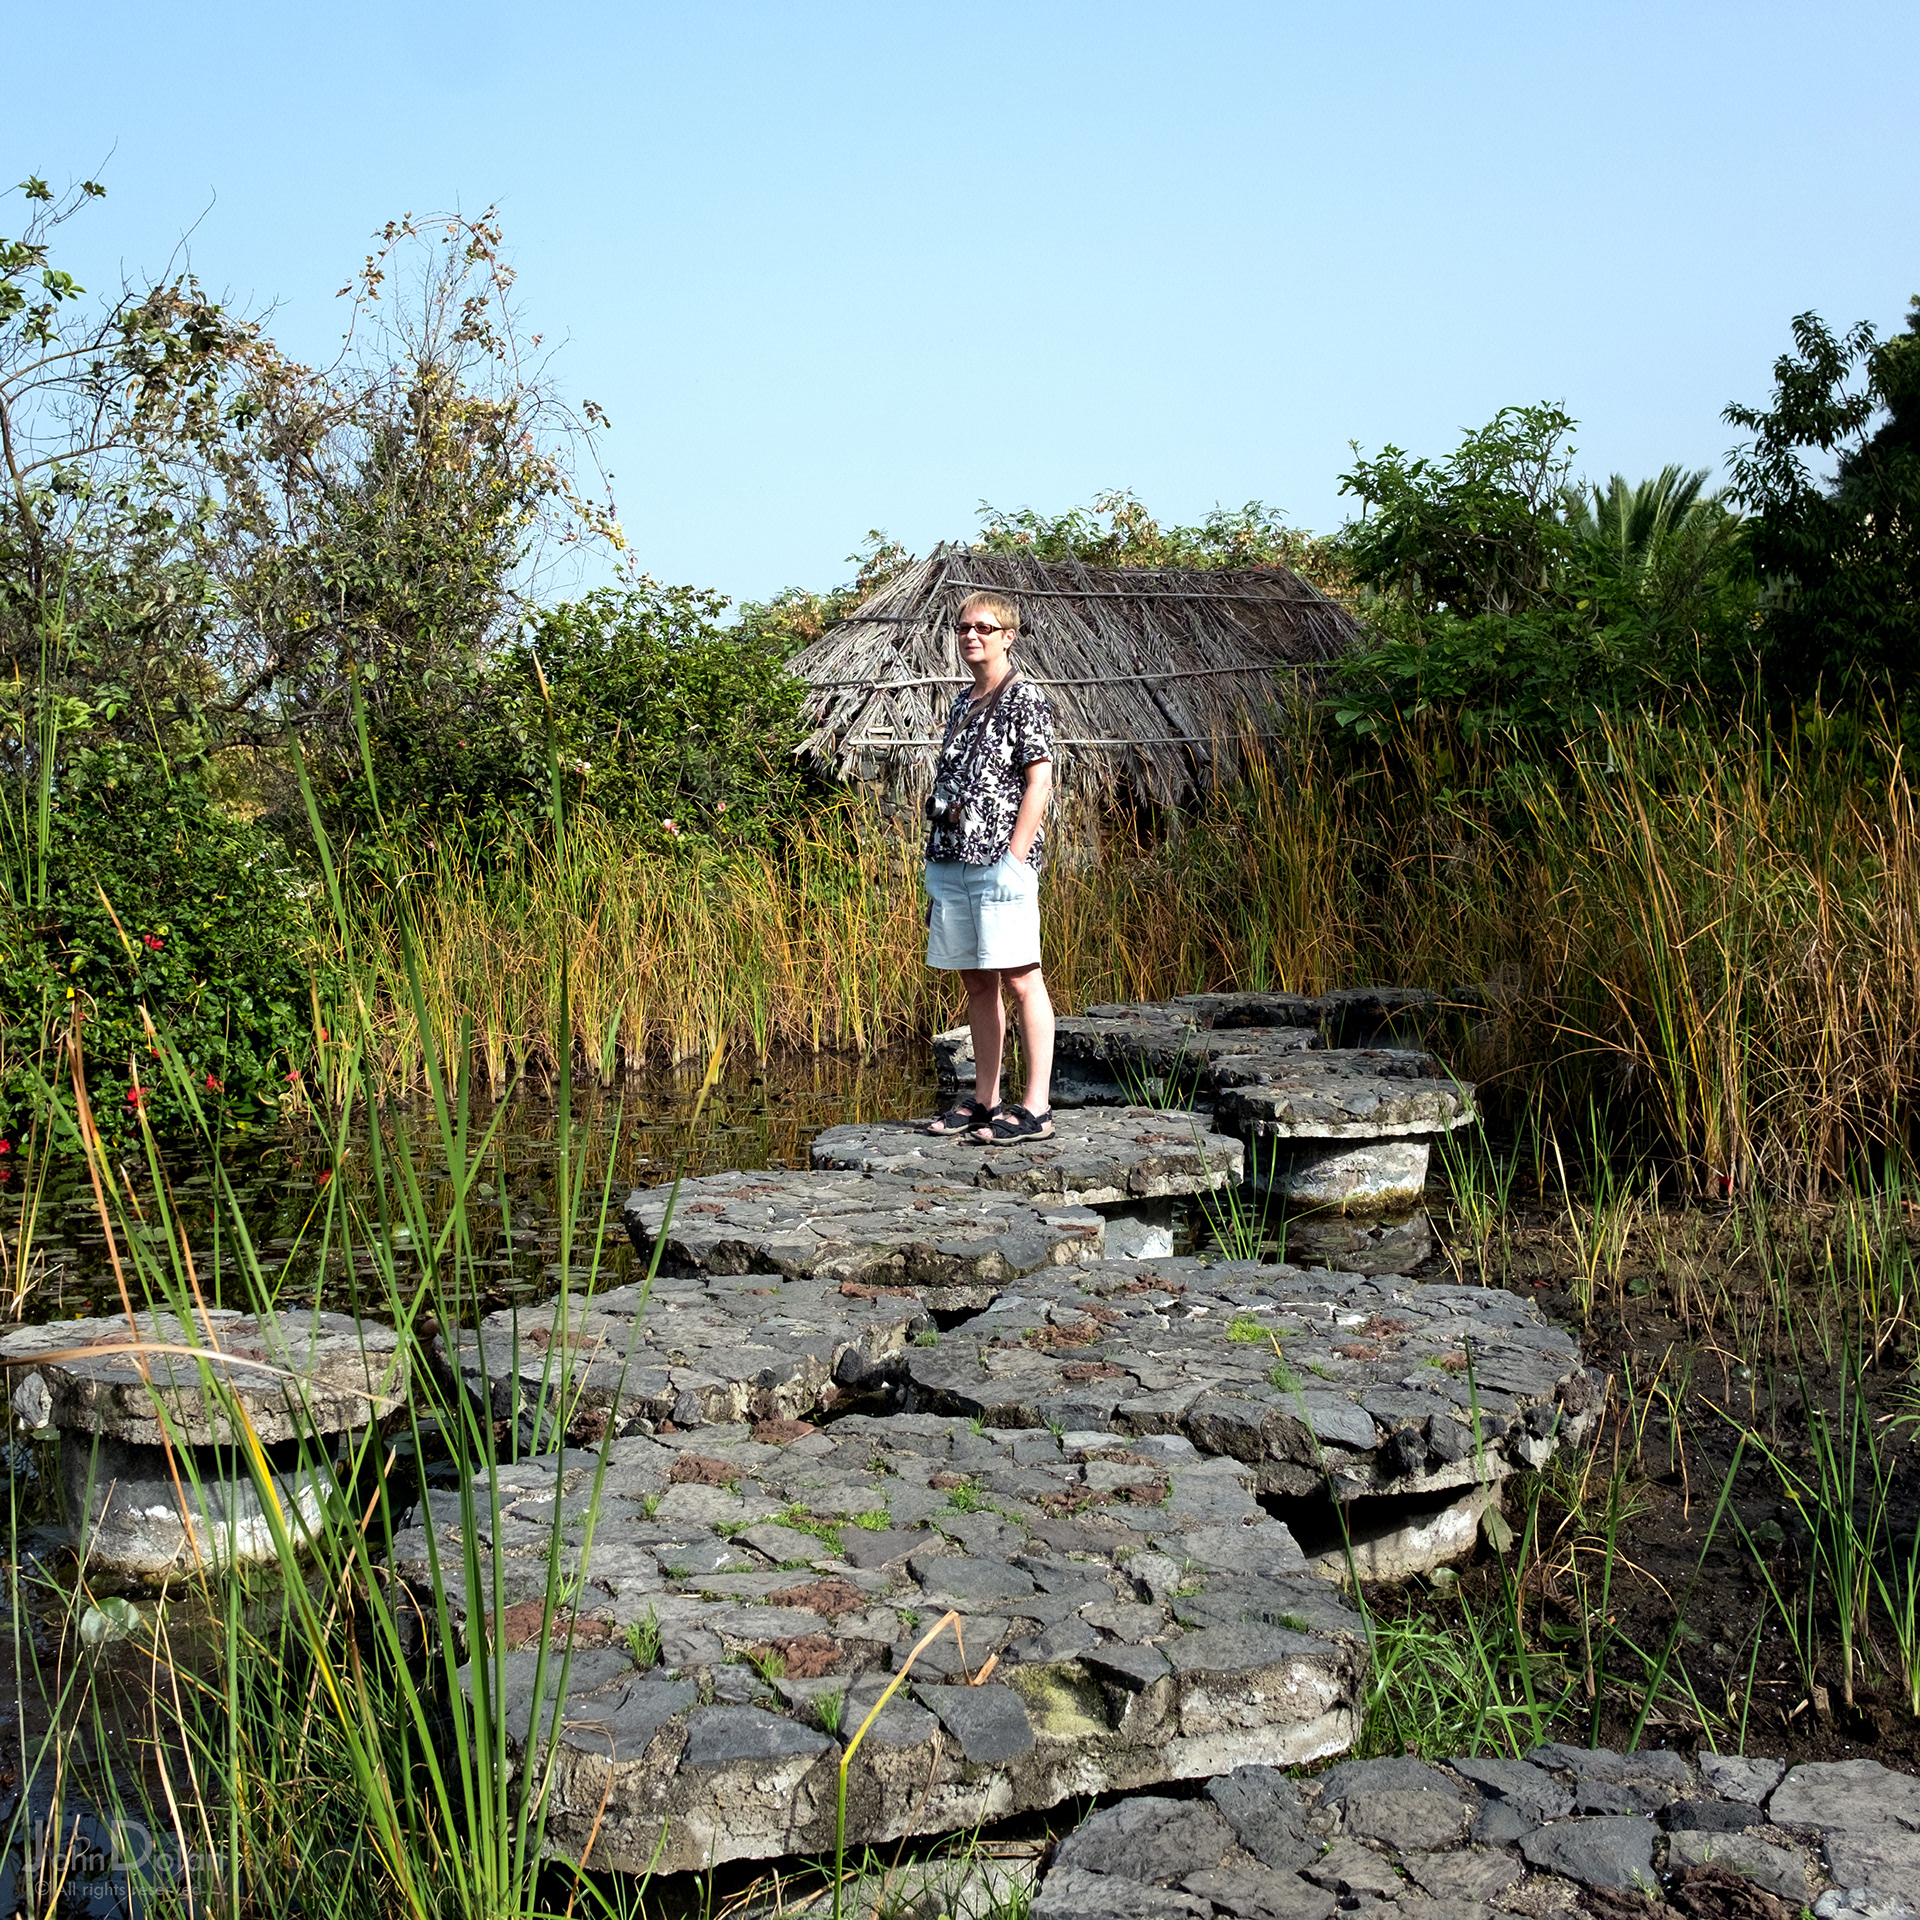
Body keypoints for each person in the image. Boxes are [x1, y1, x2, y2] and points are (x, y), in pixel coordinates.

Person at [919, 590, 1057, 1143]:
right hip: (952, 857)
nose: (970, 635)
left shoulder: (1025, 698)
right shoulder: (962, 701)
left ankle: (1036, 1108)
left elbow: (1039, 781)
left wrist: (1014, 860)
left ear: (1008, 635)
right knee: (977, 981)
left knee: (1023, 978)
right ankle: (984, 1099)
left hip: (1001, 861)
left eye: (983, 626)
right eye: (962, 627)